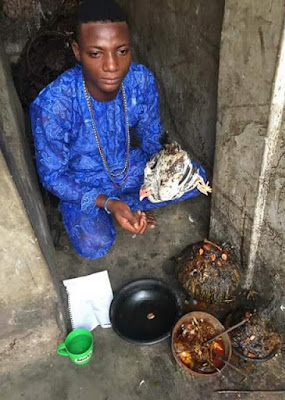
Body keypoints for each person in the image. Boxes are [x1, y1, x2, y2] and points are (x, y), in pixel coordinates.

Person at [30, 0, 207, 259]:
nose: (112, 66)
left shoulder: (140, 79)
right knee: (94, 243)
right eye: (96, 53)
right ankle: (120, 206)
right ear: (78, 51)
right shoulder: (54, 104)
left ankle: (128, 204)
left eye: (121, 51)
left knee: (195, 178)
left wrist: (162, 171)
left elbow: (150, 135)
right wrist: (108, 202)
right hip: (82, 181)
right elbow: (53, 176)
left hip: (128, 168)